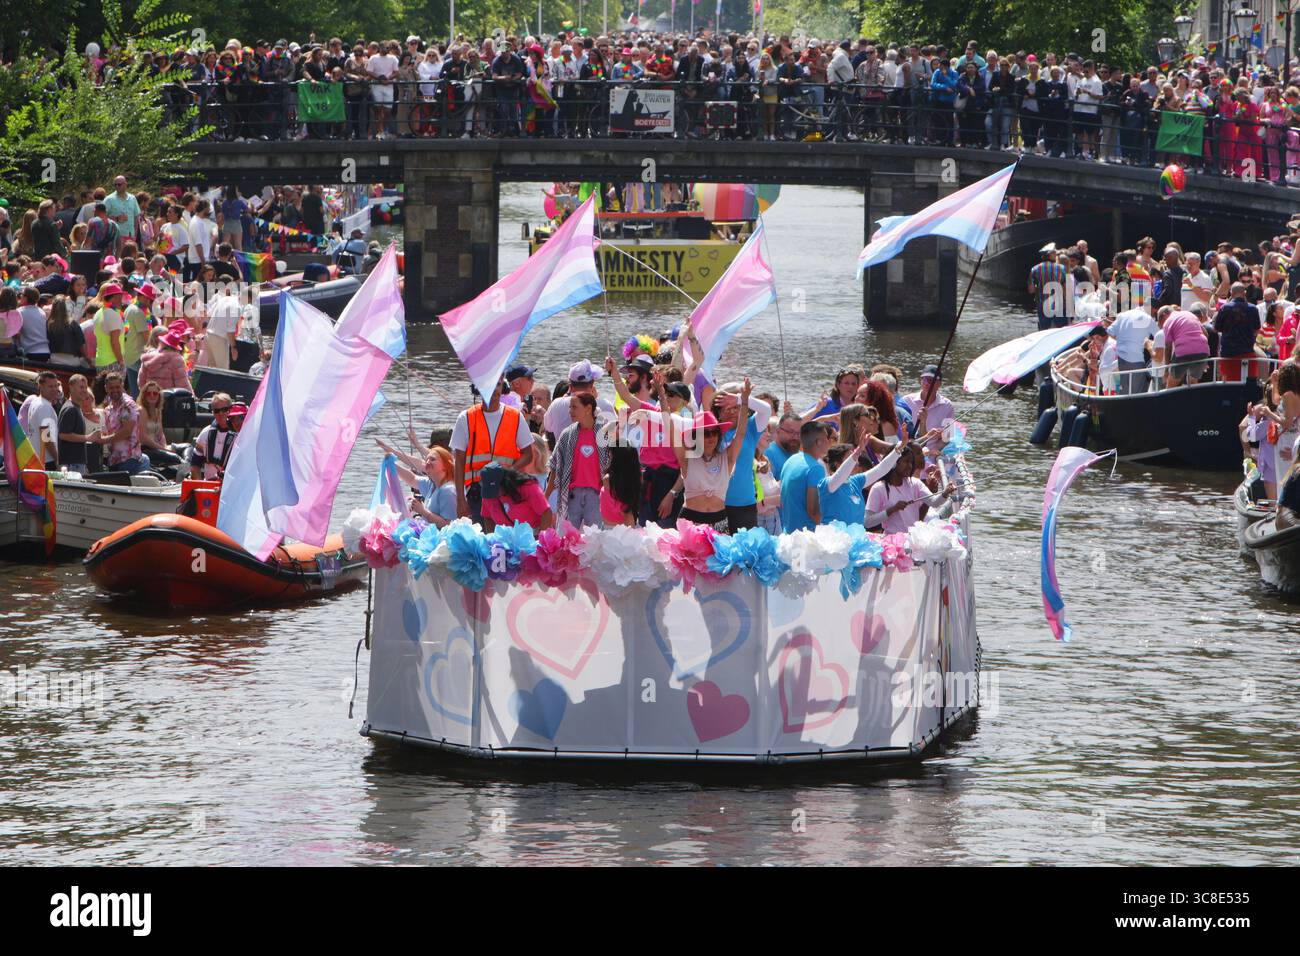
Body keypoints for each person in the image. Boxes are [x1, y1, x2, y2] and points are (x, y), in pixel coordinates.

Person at [659, 377, 751, 531]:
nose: (711, 437)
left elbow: (740, 434)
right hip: (691, 520)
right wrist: (662, 397)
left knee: (720, 556)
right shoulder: (687, 458)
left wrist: (745, 401)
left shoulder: (727, 458)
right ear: (696, 436)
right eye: (705, 433)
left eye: (714, 432)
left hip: (719, 520)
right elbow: (670, 427)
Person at [451, 383, 534, 522]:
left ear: (504, 387)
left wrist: (511, 470)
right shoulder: (465, 418)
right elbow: (458, 461)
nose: (494, 388)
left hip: (506, 489)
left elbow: (528, 454)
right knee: (480, 540)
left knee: (504, 540)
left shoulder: (515, 417)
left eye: (498, 384)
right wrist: (460, 499)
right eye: (490, 383)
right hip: (477, 493)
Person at [548, 391, 610, 528]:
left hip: (597, 496)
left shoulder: (605, 434)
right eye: (570, 407)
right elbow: (555, 467)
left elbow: (614, 466)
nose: (570, 411)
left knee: (596, 539)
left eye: (574, 407)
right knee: (566, 539)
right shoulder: (567, 434)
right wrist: (545, 495)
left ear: (588, 409)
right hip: (571, 496)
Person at [818, 430, 902, 526]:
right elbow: (840, 475)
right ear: (838, 464)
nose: (857, 463)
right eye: (850, 458)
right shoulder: (827, 484)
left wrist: (898, 449)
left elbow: (881, 469)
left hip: (857, 538)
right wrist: (857, 451)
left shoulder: (855, 481)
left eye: (856, 459)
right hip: (835, 539)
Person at [865, 441, 950, 534]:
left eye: (911, 462)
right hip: (892, 541)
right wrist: (892, 510)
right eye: (906, 461)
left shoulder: (915, 483)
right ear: (894, 463)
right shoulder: (878, 488)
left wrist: (945, 493)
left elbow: (934, 502)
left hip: (913, 538)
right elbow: (868, 522)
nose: (910, 466)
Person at [376, 438, 458, 528]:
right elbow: (412, 478)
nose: (428, 462)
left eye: (432, 459)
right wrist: (391, 465)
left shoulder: (448, 491)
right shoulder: (432, 484)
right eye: (427, 459)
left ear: (445, 466)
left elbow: (448, 525)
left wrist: (423, 511)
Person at [780, 420, 832, 533]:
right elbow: (813, 511)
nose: (829, 441)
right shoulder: (816, 468)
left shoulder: (791, 460)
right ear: (818, 442)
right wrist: (830, 531)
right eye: (826, 438)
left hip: (788, 533)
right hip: (806, 539)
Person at [479, 462, 554, 531]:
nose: (492, 493)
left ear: (505, 481)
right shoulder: (488, 494)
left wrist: (541, 540)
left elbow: (546, 513)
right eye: (489, 489)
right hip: (505, 540)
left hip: (533, 538)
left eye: (495, 488)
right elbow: (487, 517)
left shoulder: (528, 487)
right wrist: (492, 540)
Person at [56, 374, 106, 475]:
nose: (84, 390)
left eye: (85, 387)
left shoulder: (76, 408)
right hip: (71, 464)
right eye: (81, 387)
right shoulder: (70, 409)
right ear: (71, 387)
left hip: (77, 464)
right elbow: (63, 435)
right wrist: (88, 437)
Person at [101, 371, 149, 475]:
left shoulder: (127, 405)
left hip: (128, 459)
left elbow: (126, 431)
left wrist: (103, 440)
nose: (115, 390)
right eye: (111, 388)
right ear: (106, 388)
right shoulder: (109, 408)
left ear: (122, 386)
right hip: (114, 459)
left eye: (117, 387)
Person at [1214, 282, 1262, 383]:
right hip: (1247, 352)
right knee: (1249, 384)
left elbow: (1216, 328)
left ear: (1231, 293)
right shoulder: (1253, 309)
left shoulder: (1225, 308)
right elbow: (1257, 329)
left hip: (1228, 353)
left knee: (1228, 385)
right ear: (1244, 293)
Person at [901, 365, 954, 455]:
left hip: (932, 454)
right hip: (908, 451)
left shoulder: (947, 406)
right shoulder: (906, 401)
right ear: (920, 381)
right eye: (924, 379)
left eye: (931, 380)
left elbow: (947, 437)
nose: (927, 383)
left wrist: (933, 450)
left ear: (939, 384)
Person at [1155, 307, 1211, 389]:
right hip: (1202, 350)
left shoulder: (1168, 322)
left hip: (1183, 351)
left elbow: (1168, 347)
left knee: (1171, 385)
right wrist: (1204, 357)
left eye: (1159, 320)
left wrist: (1166, 370)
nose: (1160, 324)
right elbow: (1205, 334)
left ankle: (1168, 401)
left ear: (1163, 316)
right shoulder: (1189, 314)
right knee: (1192, 383)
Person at [1106, 305, 1157, 394]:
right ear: (1152, 309)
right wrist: (1145, 344)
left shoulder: (1122, 315)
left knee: (1124, 390)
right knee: (1137, 393)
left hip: (1121, 359)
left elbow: (1109, 331)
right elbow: (1159, 336)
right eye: (1155, 312)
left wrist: (1123, 341)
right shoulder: (1148, 318)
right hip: (1136, 359)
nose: (1154, 315)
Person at [189, 393, 241, 479]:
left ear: (231, 410)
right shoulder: (205, 433)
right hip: (209, 486)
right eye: (217, 411)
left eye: (224, 410)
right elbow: (195, 465)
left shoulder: (240, 434)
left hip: (231, 486)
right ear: (213, 412)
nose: (221, 413)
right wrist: (199, 486)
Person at [18, 371, 62, 469]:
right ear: (40, 387)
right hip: (46, 461)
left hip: (36, 459)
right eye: (50, 386)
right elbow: (45, 437)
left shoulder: (35, 403)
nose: (54, 389)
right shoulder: (44, 406)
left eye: (56, 386)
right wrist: (57, 459)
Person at [92, 282, 127, 374]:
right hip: (113, 362)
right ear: (113, 298)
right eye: (119, 297)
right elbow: (114, 341)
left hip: (101, 361)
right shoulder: (113, 314)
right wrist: (121, 361)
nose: (121, 300)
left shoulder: (98, 313)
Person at [16, 286, 49, 362]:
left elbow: (16, 333)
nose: (20, 296)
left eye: (22, 295)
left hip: (30, 353)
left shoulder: (19, 312)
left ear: (26, 298)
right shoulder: (42, 312)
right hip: (45, 352)